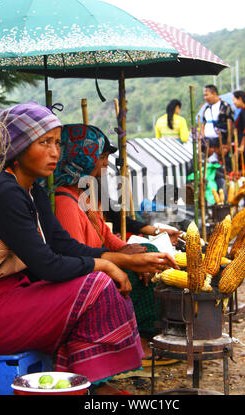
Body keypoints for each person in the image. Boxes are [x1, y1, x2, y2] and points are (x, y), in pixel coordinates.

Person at [0, 102, 177, 395]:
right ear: (18, 146)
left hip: (15, 294)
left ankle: (88, 383)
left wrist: (125, 260)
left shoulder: (32, 188)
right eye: (44, 142)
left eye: (58, 143)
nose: (55, 152)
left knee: (100, 281)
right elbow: (46, 264)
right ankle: (89, 383)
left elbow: (62, 244)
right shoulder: (3, 190)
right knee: (96, 284)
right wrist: (107, 265)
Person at [54, 124, 180, 364]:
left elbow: (105, 235)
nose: (104, 164)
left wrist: (127, 249)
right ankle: (137, 341)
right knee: (135, 272)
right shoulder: (64, 202)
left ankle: (147, 334)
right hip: (86, 274)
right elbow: (77, 256)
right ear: (83, 158)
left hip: (102, 259)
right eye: (100, 158)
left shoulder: (84, 195)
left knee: (149, 253)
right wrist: (126, 260)